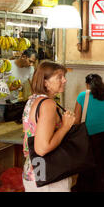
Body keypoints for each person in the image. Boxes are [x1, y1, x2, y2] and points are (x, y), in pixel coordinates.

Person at [22, 61, 75, 192]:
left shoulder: (33, 99)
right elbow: (42, 148)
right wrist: (65, 127)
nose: (64, 80)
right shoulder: (48, 104)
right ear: (45, 82)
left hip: (34, 172)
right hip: (49, 176)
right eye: (59, 77)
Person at [73, 74, 104, 192]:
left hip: (90, 137)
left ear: (87, 84)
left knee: (90, 165)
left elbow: (77, 120)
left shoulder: (82, 96)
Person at [0, 49, 38, 123]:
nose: (31, 64)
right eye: (30, 61)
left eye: (33, 63)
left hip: (14, 102)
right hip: (0, 102)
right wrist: (9, 88)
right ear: (23, 57)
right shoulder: (6, 64)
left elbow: (33, 85)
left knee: (11, 127)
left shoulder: (30, 69)